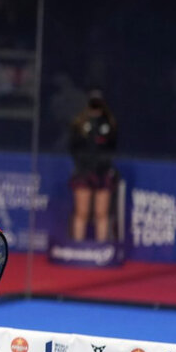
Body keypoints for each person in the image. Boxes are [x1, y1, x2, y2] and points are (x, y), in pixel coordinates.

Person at [69, 89, 118, 242]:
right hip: (84, 173)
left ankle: (101, 249)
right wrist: (82, 165)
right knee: (81, 212)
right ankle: (77, 248)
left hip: (102, 173)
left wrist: (104, 165)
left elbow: (112, 148)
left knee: (101, 213)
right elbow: (73, 148)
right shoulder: (79, 124)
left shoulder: (108, 124)